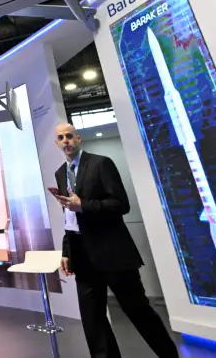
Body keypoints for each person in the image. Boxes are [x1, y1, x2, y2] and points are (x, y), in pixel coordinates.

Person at [51, 123, 178, 358]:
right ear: (57, 143)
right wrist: (66, 250)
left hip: (113, 253)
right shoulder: (60, 173)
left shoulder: (101, 163)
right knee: (92, 320)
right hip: (82, 256)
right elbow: (69, 215)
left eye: (70, 136)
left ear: (78, 139)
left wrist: (84, 205)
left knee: (138, 311)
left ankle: (169, 355)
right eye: (61, 137)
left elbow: (121, 204)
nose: (66, 140)